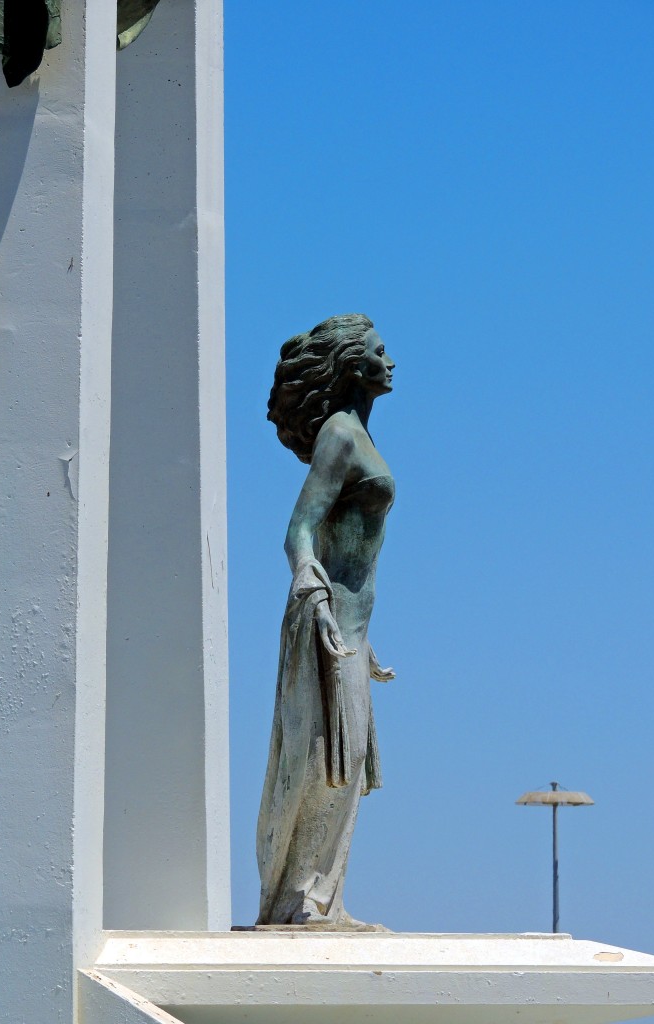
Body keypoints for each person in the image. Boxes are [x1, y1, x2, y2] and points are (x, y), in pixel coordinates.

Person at [256, 313, 397, 926]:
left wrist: (363, 641)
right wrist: (312, 589)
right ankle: (300, 901)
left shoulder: (361, 435)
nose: (390, 362)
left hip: (353, 628)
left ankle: (325, 900)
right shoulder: (341, 433)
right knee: (325, 762)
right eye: (379, 351)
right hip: (328, 620)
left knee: (348, 759)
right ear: (352, 367)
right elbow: (300, 529)